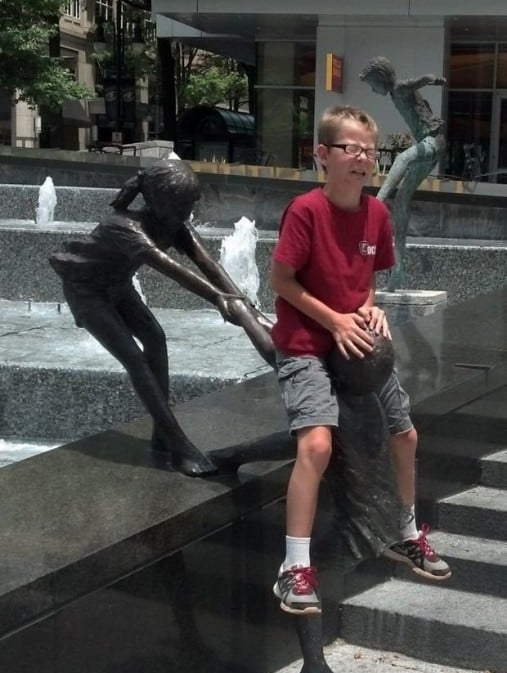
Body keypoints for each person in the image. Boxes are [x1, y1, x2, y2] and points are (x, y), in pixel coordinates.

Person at [270, 105, 450, 615]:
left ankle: (405, 530)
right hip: (306, 342)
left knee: (406, 432)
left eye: (370, 150)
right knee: (318, 444)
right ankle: (293, 568)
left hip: (357, 343)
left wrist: (368, 308)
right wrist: (336, 321)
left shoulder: (376, 214)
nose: (364, 159)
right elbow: (282, 282)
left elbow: (367, 278)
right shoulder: (305, 211)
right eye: (352, 149)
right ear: (323, 155)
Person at [50, 159, 274, 478]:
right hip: (87, 293)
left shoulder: (174, 224)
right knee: (135, 359)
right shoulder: (123, 227)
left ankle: (161, 434)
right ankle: (180, 447)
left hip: (118, 285)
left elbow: (206, 261)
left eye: (190, 205)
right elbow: (172, 269)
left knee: (156, 339)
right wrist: (218, 299)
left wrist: (244, 305)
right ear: (162, 202)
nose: (189, 212)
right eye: (183, 205)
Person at [359, 57, 446, 290]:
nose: (372, 89)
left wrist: (433, 79)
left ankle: (376, 204)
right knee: (401, 201)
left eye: (371, 84)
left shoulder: (398, 88)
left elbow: (416, 81)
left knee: (402, 158)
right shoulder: (393, 95)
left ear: (381, 78)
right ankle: (398, 271)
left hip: (433, 142)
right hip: (430, 146)